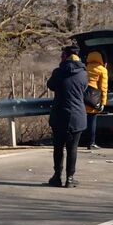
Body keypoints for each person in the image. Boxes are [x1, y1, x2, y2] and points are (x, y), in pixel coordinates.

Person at [47, 45, 88, 188]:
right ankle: (70, 178)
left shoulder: (58, 72)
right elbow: (84, 89)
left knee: (58, 147)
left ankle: (57, 176)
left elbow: (50, 85)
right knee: (73, 148)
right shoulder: (83, 73)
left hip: (59, 114)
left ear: (65, 56)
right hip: (77, 115)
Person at [85, 51, 108, 149]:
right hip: (93, 98)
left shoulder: (84, 68)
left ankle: (77, 141)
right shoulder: (102, 70)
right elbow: (103, 88)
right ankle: (91, 143)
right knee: (91, 121)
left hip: (82, 97)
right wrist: (102, 102)